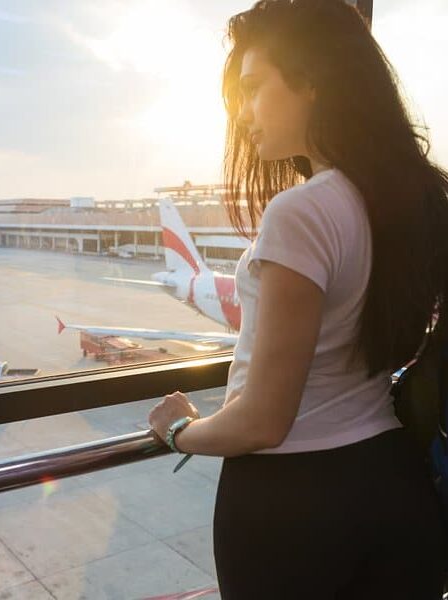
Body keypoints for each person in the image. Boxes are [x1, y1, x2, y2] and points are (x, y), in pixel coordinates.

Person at [148, 0, 448, 598]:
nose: (243, 112)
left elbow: (263, 420)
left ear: (311, 79)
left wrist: (181, 430)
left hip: (293, 510)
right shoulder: (423, 198)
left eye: (254, 87)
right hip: (395, 485)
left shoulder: (303, 209)